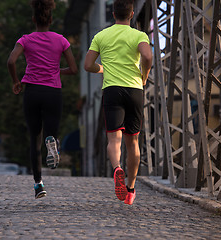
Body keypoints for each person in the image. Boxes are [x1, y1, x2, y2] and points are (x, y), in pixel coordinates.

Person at [7, 0, 78, 199]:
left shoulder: (25, 40)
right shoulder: (61, 40)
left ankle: (38, 185)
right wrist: (56, 70)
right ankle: (52, 139)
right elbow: (73, 69)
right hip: (53, 92)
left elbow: (11, 61)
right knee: (50, 133)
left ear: (33, 19)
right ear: (51, 19)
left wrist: (16, 81)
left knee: (33, 138)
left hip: (32, 92)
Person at [84, 0, 152, 205]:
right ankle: (130, 189)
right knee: (133, 142)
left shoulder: (101, 36)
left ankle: (117, 169)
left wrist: (103, 69)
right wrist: (144, 75)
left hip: (112, 90)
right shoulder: (139, 35)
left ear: (113, 14)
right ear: (132, 15)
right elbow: (147, 56)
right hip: (134, 90)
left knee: (114, 140)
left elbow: (88, 65)